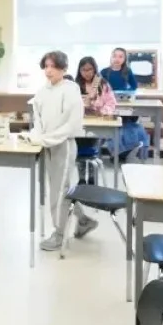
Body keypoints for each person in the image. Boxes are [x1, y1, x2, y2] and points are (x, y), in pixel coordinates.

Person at [29, 51, 97, 251]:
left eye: (53, 66)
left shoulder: (71, 89)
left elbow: (73, 123)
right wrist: (38, 137)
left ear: (64, 69)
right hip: (47, 144)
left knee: (59, 192)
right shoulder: (42, 91)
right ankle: (84, 220)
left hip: (64, 145)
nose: (48, 71)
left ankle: (59, 235)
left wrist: (48, 139)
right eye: (46, 66)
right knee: (61, 189)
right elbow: (38, 118)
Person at [100, 47, 150, 162]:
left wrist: (125, 92)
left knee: (126, 125)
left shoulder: (127, 71)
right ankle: (118, 152)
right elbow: (99, 88)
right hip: (108, 105)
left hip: (123, 103)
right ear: (111, 57)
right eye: (114, 56)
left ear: (125, 59)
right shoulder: (104, 72)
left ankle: (123, 151)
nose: (117, 59)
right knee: (113, 126)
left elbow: (134, 86)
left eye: (120, 56)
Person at [74, 57, 115, 184]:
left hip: (97, 123)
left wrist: (101, 111)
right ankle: (81, 178)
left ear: (94, 69)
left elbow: (111, 103)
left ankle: (92, 177)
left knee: (92, 146)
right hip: (80, 124)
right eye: (83, 70)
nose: (87, 72)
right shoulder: (75, 85)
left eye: (90, 69)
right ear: (79, 70)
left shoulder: (103, 84)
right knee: (79, 149)